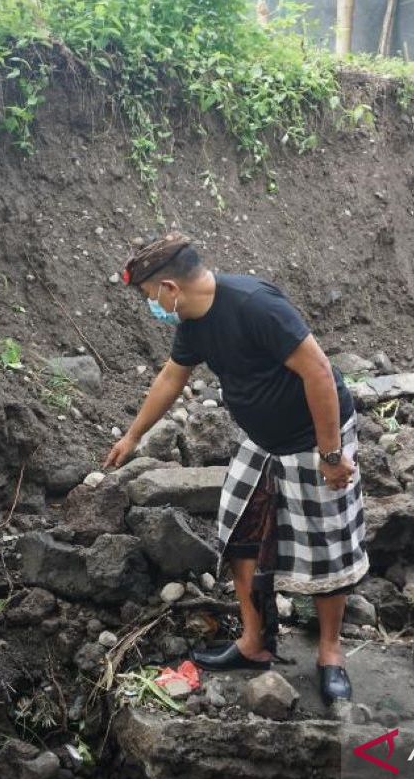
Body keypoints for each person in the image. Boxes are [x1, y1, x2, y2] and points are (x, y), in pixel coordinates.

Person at [103, 231, 370, 705]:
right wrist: (133, 435)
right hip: (262, 442)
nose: (153, 308)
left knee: (328, 546)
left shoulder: (254, 305)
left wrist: (331, 456)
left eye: (150, 297)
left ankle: (331, 653)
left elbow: (319, 373)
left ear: (169, 288)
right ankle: (255, 643)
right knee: (240, 533)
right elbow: (172, 375)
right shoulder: (193, 320)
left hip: (315, 438)